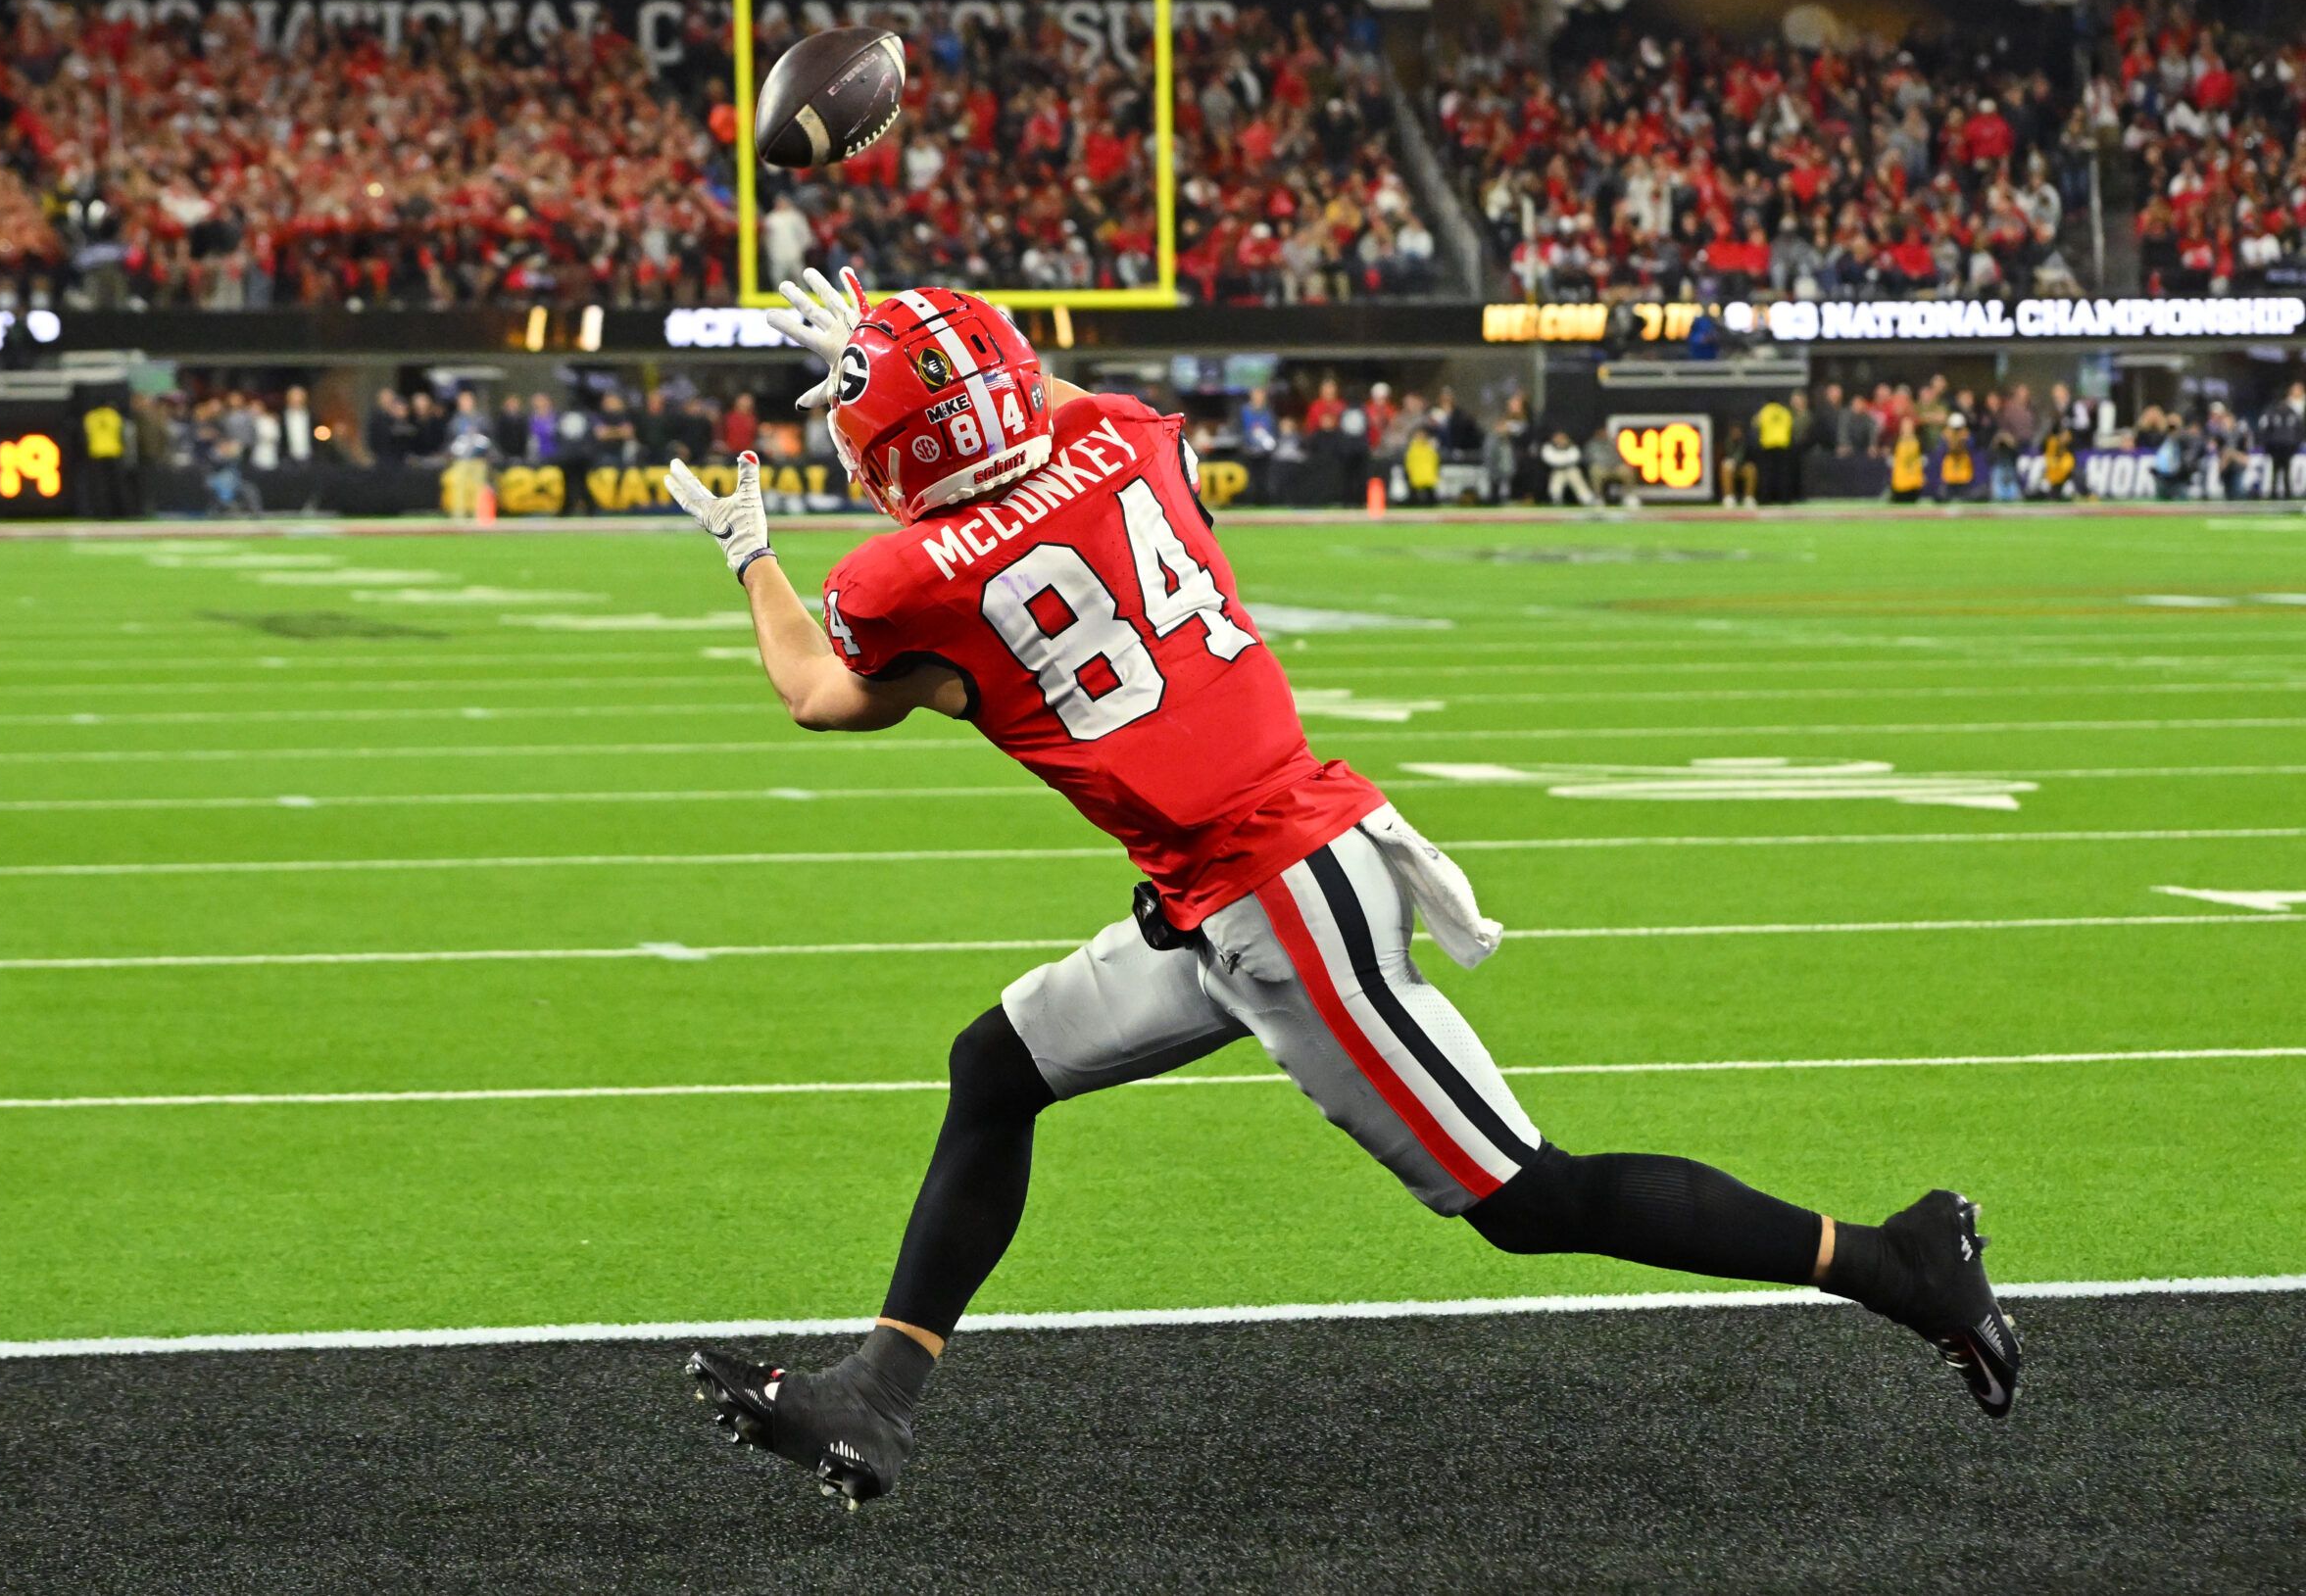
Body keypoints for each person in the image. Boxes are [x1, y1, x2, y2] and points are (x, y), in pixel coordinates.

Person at [662, 268, 2021, 1509]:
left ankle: (1901, 1264)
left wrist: (749, 548)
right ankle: (880, 1394)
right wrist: (910, 355)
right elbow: (1040, 402)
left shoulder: (902, 580)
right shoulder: (1123, 440)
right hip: (1224, 880)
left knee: (1529, 1199)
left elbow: (816, 693)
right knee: (997, 1066)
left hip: (1279, 896)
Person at [2260, 381, 2303, 501]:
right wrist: (2295, 445)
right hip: (2285, 446)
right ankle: (2285, 495)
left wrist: (2267, 445)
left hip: (2278, 446)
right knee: (2283, 471)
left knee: (2278, 470)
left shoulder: (2273, 411)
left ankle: (2277, 494)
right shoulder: (2290, 412)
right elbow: (2300, 431)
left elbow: (2265, 430)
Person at [1888, 417, 1927, 505]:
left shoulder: (1919, 441)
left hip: (1914, 482)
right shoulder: (1896, 440)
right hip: (1900, 482)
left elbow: (1923, 460)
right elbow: (1891, 460)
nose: (1907, 429)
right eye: (1905, 426)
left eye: (1909, 426)